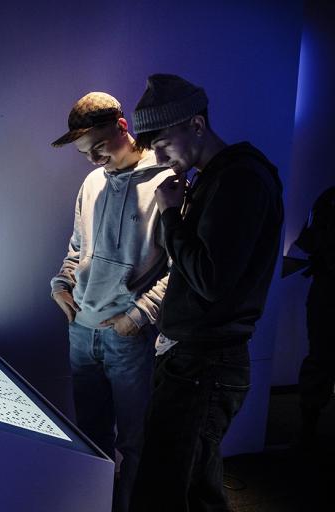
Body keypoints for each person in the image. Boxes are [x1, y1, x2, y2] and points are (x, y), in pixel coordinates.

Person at [128, 74, 284, 512]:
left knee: (164, 491)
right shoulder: (216, 177)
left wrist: (171, 215)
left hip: (206, 363)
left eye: (163, 144)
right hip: (196, 359)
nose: (160, 158)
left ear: (196, 125)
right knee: (194, 488)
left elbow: (210, 280)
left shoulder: (241, 179)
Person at [50, 91, 172, 512]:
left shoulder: (165, 181)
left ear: (122, 127)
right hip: (81, 331)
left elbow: (178, 268)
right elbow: (77, 247)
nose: (92, 159)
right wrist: (61, 285)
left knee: (135, 441)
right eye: (84, 153)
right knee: (91, 437)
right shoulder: (92, 182)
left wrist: (137, 317)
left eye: (98, 147)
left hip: (129, 337)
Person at [293, 186, 335, 447]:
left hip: (327, 290)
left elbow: (307, 242)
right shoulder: (329, 199)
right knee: (320, 358)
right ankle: (308, 429)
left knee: (320, 358)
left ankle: (308, 429)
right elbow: (308, 241)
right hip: (327, 290)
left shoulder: (329, 198)